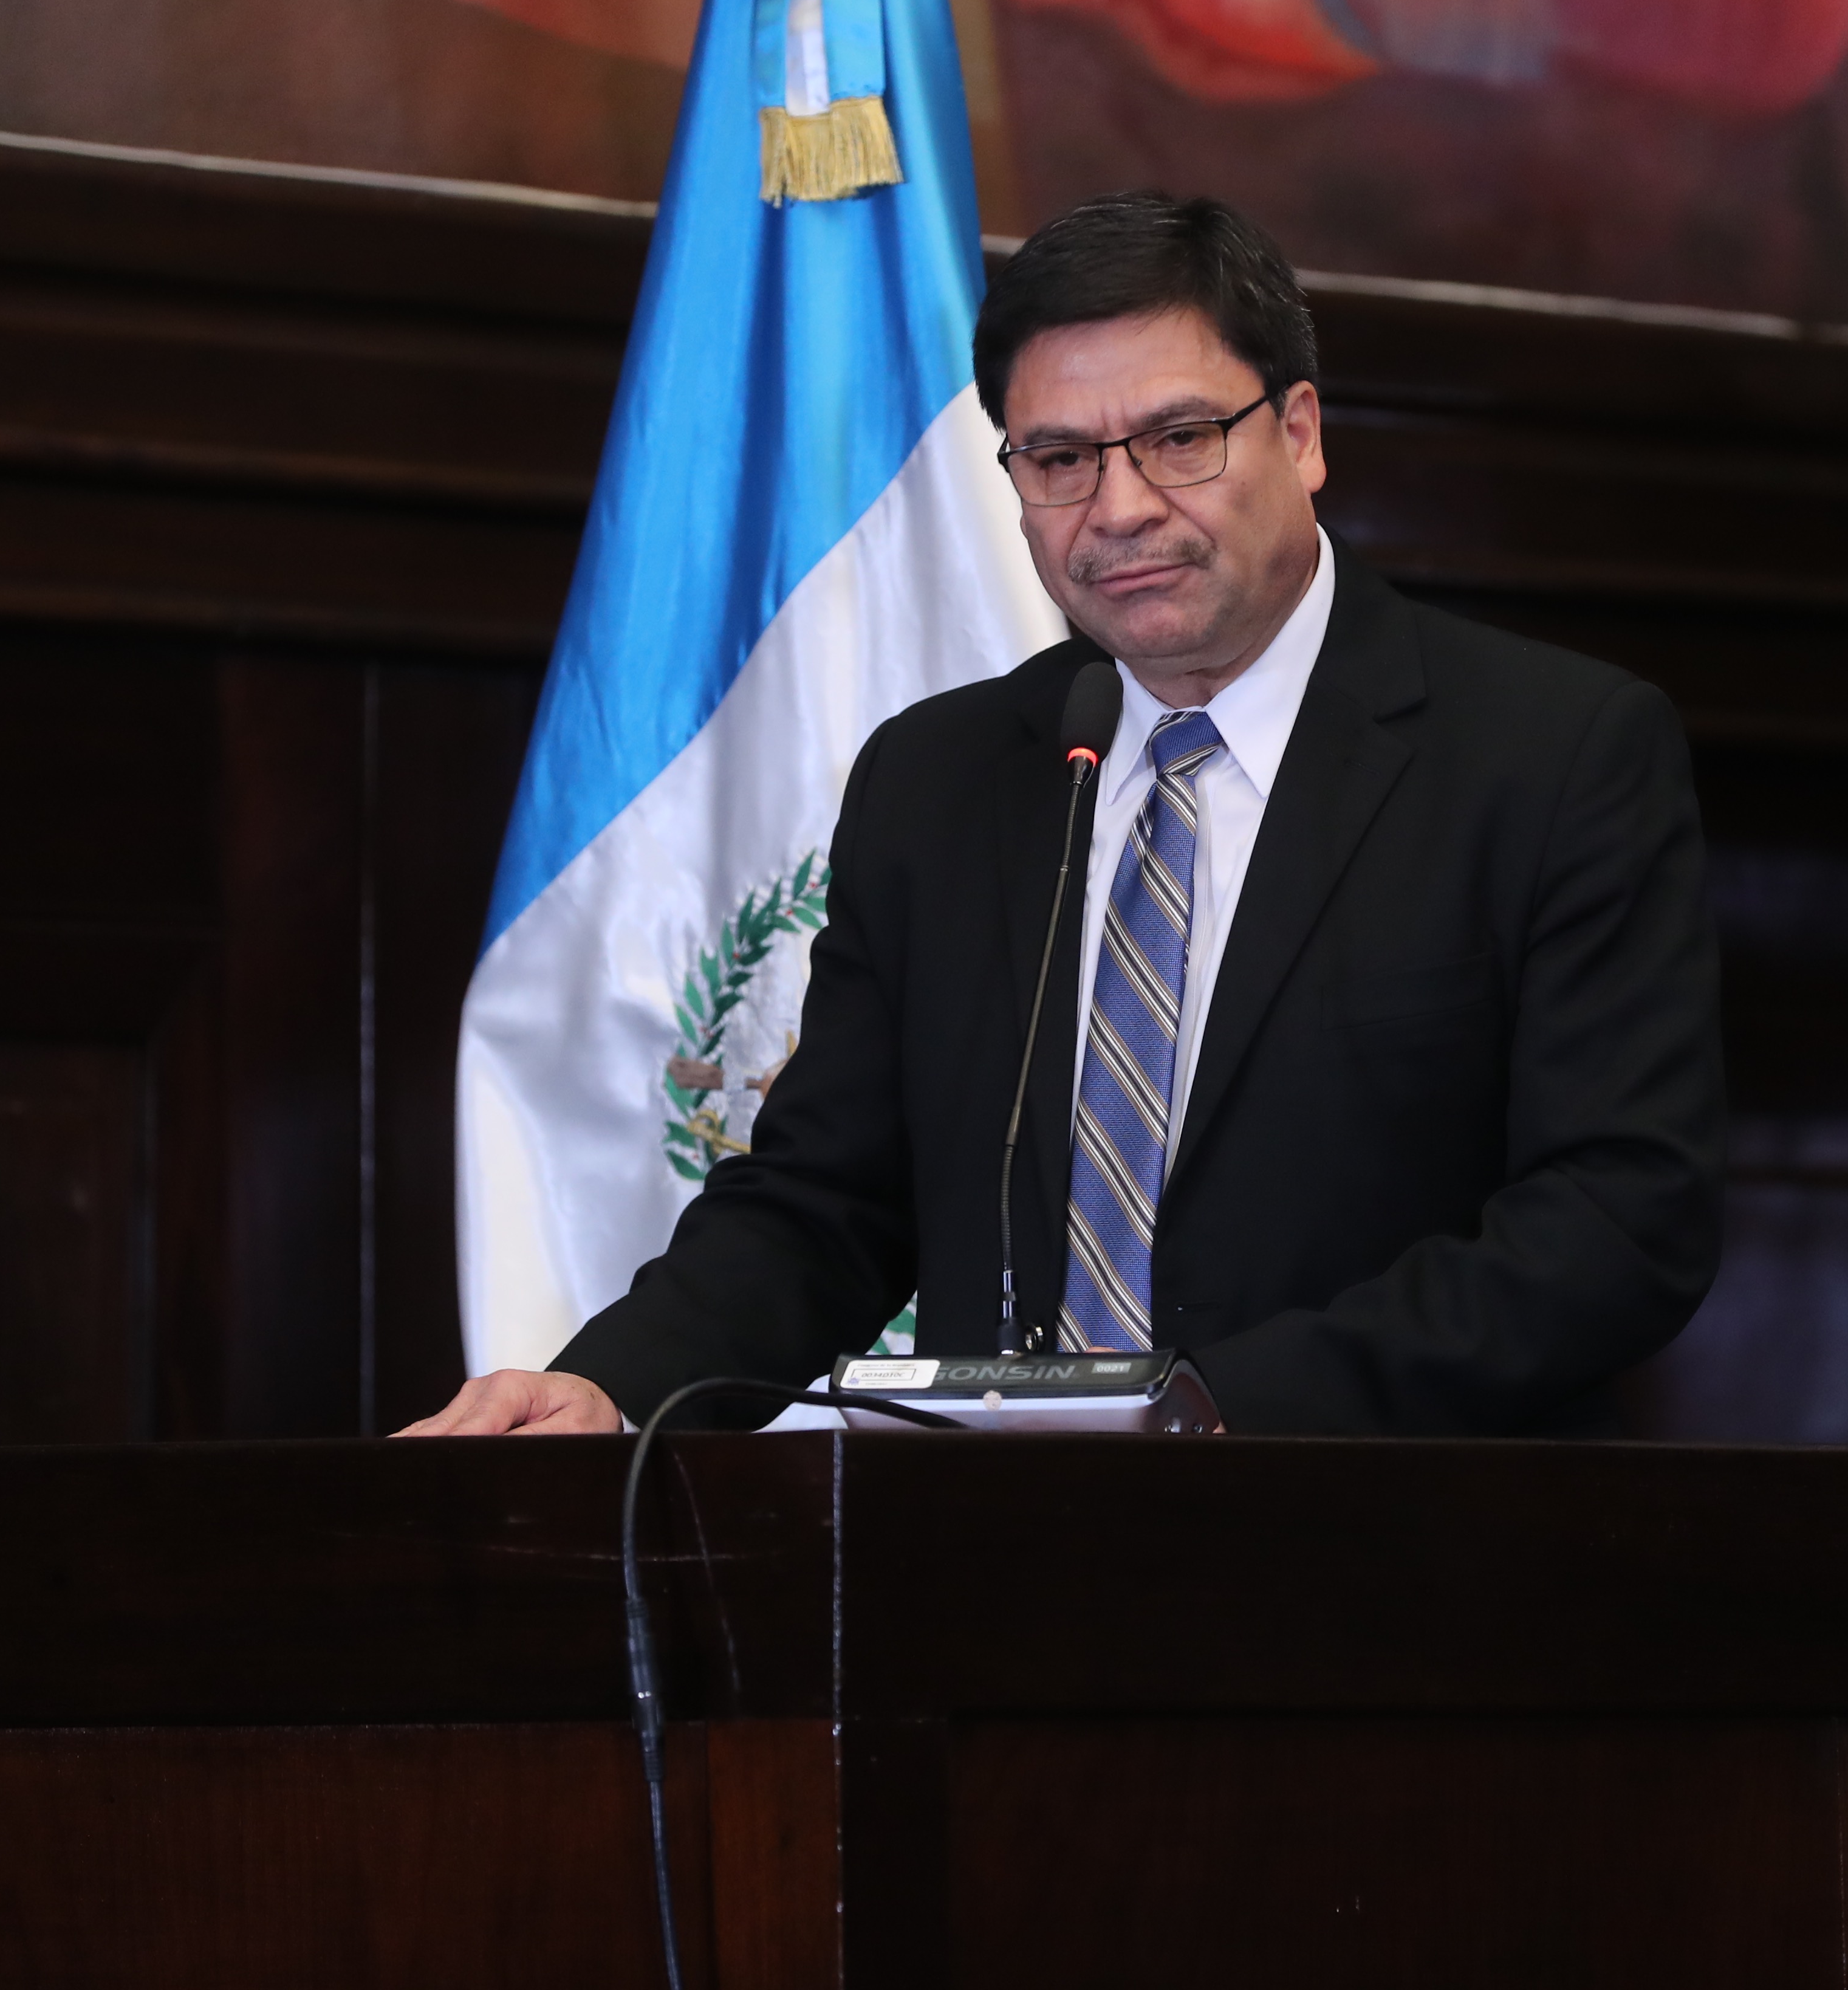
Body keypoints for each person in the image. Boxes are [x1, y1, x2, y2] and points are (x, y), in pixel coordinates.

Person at [400, 191, 1720, 1438]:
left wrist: (1205, 1414)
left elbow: (1617, 1222)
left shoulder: (1548, 757)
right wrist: (610, 1391)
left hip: (1389, 1576)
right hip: (987, 1590)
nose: (1122, 507)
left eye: (1180, 439)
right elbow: (826, 1203)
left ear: (1302, 434)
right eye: (1062, 459)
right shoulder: (945, 778)